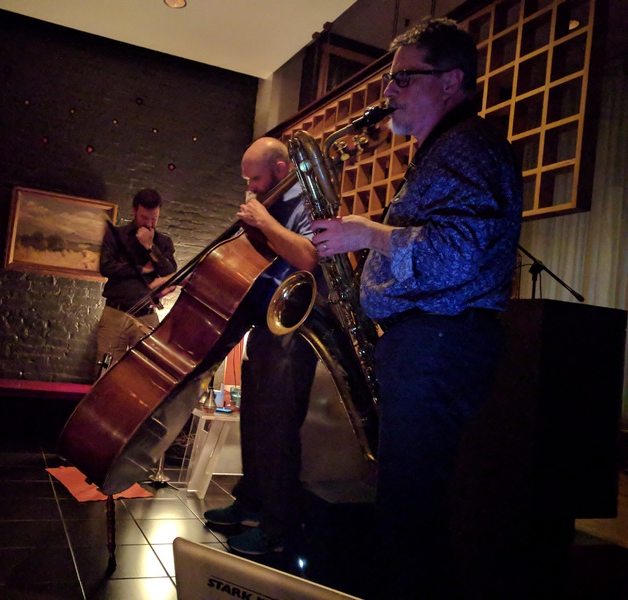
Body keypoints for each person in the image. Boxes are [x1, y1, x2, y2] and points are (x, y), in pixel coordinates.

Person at [312, 18, 522, 600]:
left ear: (451, 80)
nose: (388, 91)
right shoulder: (444, 150)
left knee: (411, 515)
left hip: (438, 345)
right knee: (408, 510)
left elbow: (456, 256)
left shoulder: (466, 146)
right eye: (390, 79)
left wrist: (367, 234)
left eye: (404, 78)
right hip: (429, 344)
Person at [203, 137, 323, 556]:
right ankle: (250, 503)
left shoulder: (307, 200)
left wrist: (265, 222)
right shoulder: (268, 202)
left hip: (295, 328)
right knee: (254, 421)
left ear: (280, 168)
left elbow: (309, 256)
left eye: (255, 178)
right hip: (265, 323)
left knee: (278, 429)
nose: (250, 187)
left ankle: (276, 528)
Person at [94, 188, 177, 376]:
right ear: (134, 211)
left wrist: (150, 246)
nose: (149, 224)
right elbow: (106, 267)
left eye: (154, 219)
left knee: (149, 373)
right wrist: (142, 270)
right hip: (115, 313)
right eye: (144, 218)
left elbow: (170, 273)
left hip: (147, 315)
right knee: (105, 373)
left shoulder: (163, 242)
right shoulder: (117, 235)